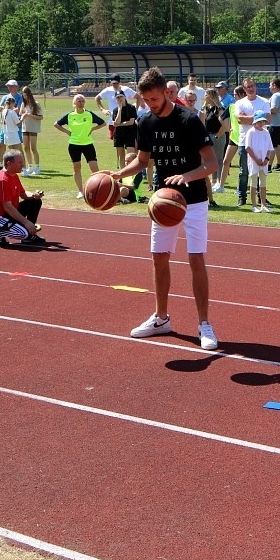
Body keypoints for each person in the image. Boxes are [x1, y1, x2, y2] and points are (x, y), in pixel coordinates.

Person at [112, 67, 219, 351]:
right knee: (159, 257)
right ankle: (161, 318)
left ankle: (204, 323)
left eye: (155, 99)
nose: (151, 104)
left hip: (193, 200)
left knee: (196, 258)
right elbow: (142, 160)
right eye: (146, 100)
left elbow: (211, 163)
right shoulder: (145, 122)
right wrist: (119, 174)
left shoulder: (189, 119)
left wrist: (187, 176)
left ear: (167, 93)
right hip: (163, 201)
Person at [0, 149, 46, 247]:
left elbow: (23, 194)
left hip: (10, 211)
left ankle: (29, 235)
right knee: (24, 233)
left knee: (35, 201)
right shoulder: (2, 181)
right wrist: (26, 222)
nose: (23, 165)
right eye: (20, 162)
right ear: (9, 164)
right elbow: (7, 207)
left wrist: (34, 195)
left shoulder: (14, 176)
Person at [55, 93, 106, 199]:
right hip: (74, 145)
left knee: (94, 168)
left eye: (83, 101)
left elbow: (103, 123)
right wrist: (67, 132)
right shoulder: (70, 115)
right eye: (79, 101)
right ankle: (80, 191)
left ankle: (99, 189)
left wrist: (93, 129)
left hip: (88, 144)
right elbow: (56, 124)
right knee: (77, 168)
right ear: (74, 103)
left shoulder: (89, 114)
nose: (81, 103)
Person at [233, 78, 270, 206]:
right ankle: (242, 196)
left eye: (252, 86)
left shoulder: (264, 101)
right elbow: (239, 120)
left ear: (255, 86)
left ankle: (261, 197)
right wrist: (258, 117)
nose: (250, 88)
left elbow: (268, 119)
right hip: (244, 141)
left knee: (261, 170)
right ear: (244, 89)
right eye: (248, 87)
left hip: (261, 142)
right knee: (244, 171)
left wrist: (247, 118)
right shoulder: (240, 103)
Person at [95, 75, 136, 157]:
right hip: (113, 120)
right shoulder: (107, 90)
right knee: (119, 147)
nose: (114, 85)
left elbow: (138, 97)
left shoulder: (126, 89)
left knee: (131, 147)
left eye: (116, 83)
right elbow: (97, 98)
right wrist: (103, 109)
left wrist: (135, 110)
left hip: (127, 121)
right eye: (113, 83)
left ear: (119, 82)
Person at [216, 84, 246, 193]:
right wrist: (228, 128)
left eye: (235, 95)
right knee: (226, 161)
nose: (234, 97)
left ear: (242, 95)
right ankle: (221, 186)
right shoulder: (232, 106)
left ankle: (241, 188)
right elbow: (221, 118)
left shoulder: (247, 106)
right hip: (233, 138)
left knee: (244, 166)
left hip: (245, 139)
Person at [201, 87, 229, 202]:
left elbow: (225, 125)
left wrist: (217, 136)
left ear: (211, 97)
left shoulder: (219, 109)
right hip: (209, 136)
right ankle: (213, 180)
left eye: (206, 95)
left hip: (217, 136)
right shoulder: (208, 108)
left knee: (219, 160)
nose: (204, 97)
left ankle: (219, 182)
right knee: (212, 159)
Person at [245, 111, 273, 213]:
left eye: (263, 121)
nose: (261, 123)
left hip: (264, 162)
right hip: (254, 161)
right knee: (253, 182)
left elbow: (269, 148)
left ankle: (263, 204)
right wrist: (256, 159)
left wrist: (266, 159)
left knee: (263, 182)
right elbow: (248, 148)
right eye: (259, 121)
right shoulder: (251, 132)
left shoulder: (266, 132)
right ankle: (254, 205)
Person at [0, 79, 22, 170]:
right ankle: (0, 164)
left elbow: (19, 109)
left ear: (16, 87)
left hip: (14, 125)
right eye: (8, 86)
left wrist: (7, 109)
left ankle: (19, 164)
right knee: (2, 143)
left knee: (17, 147)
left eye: (11, 86)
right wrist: (9, 109)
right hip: (5, 126)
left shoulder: (19, 97)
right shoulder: (5, 97)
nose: (9, 88)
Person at [111, 90, 138, 172]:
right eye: (118, 97)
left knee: (130, 154)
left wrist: (119, 124)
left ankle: (132, 172)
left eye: (121, 97)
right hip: (119, 134)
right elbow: (116, 122)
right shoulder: (115, 110)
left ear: (124, 97)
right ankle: (122, 173)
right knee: (121, 155)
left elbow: (131, 122)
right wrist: (119, 110)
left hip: (130, 133)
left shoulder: (131, 108)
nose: (120, 99)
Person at [19, 84, 43, 176]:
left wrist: (30, 115)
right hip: (25, 127)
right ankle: (30, 166)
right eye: (24, 95)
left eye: (26, 95)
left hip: (33, 127)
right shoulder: (23, 104)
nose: (25, 97)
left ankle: (37, 167)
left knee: (33, 148)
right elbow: (21, 114)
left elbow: (40, 117)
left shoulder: (36, 104)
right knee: (26, 148)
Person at [267, 78, 280, 170]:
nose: (269, 87)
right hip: (278, 122)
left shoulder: (276, 96)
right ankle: (278, 164)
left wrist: (264, 111)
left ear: (274, 85)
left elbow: (274, 109)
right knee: (276, 144)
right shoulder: (279, 95)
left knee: (272, 145)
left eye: (270, 85)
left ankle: (269, 166)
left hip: (274, 124)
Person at [0, 94, 23, 161]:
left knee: (11, 153)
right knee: (19, 153)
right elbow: (18, 123)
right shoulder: (12, 112)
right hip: (13, 134)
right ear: (12, 103)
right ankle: (22, 166)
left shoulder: (3, 111)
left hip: (6, 134)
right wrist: (22, 118)